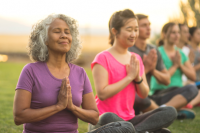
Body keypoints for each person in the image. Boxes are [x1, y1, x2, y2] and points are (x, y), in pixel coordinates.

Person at [13, 14, 134, 133]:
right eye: (57, 31)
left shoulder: (80, 73)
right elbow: (19, 117)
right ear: (44, 39)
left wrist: (72, 107)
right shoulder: (30, 71)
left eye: (67, 32)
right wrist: (58, 106)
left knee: (126, 127)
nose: (64, 35)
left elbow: (94, 117)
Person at [89, 9, 177, 133]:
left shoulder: (136, 59)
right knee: (109, 116)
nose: (134, 34)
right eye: (129, 30)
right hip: (105, 121)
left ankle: (131, 130)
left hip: (130, 120)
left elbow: (144, 94)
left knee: (169, 111)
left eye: (135, 30)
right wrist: (129, 77)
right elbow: (102, 94)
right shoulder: (102, 58)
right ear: (115, 31)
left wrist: (138, 79)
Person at [150, 22, 198, 119]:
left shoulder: (180, 53)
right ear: (164, 34)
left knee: (193, 88)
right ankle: (168, 111)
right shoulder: (157, 52)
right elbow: (161, 79)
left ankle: (164, 110)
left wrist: (180, 64)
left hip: (178, 93)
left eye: (178, 32)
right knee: (191, 88)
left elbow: (193, 76)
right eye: (173, 32)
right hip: (161, 93)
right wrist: (175, 65)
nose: (177, 35)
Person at [128, 14, 170, 114]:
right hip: (133, 97)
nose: (148, 28)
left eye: (149, 25)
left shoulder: (154, 50)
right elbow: (128, 85)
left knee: (191, 89)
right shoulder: (128, 50)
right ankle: (163, 113)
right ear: (135, 29)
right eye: (144, 25)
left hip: (148, 96)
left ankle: (160, 110)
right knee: (139, 98)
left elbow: (167, 80)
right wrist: (145, 69)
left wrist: (153, 70)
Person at [186, 27, 200, 107]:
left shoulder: (198, 50)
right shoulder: (187, 50)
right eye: (198, 34)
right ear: (191, 36)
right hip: (192, 82)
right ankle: (190, 105)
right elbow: (188, 71)